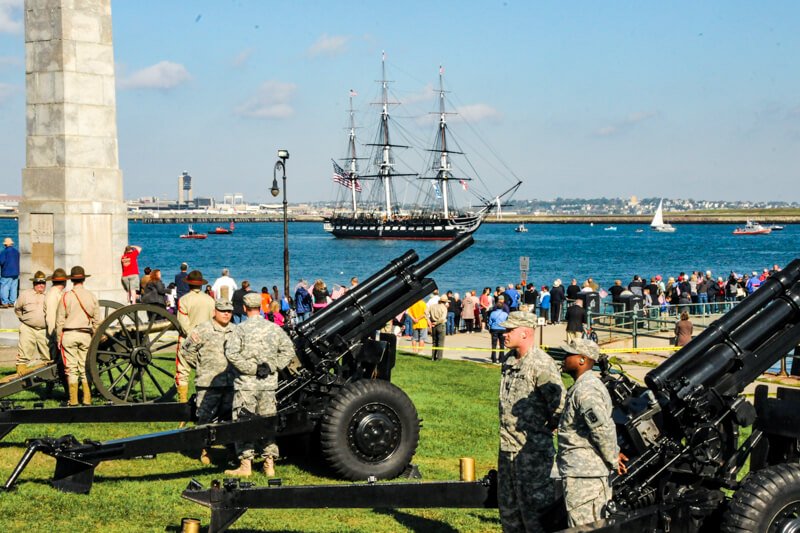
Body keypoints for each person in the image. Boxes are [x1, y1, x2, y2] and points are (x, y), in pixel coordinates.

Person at [497, 311, 565, 532]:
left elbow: (560, 405)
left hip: (532, 454)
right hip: (508, 451)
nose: (504, 334)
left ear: (525, 333)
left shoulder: (541, 364)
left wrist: (545, 430)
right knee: (509, 514)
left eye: (509, 330)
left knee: (536, 517)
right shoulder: (508, 361)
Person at [224, 293, 297, 477]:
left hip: (246, 384)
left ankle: (246, 464)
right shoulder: (274, 328)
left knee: (243, 422)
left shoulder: (239, 330)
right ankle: (269, 464)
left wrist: (251, 369)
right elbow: (288, 350)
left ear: (244, 308)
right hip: (268, 384)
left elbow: (231, 353)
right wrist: (271, 366)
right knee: (267, 422)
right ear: (262, 308)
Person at [557, 339, 621, 527]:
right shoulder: (581, 386)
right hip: (581, 473)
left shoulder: (586, 390)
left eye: (569, 354)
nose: (565, 358)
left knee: (586, 527)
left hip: (586, 477)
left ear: (583, 360)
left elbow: (601, 428)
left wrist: (614, 458)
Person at [179, 298, 236, 465]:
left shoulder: (236, 331)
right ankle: (205, 450)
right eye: (223, 310)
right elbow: (186, 350)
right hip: (207, 382)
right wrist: (201, 366)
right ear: (214, 312)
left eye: (229, 311)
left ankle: (231, 451)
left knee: (230, 419)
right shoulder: (202, 330)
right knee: (205, 418)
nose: (226, 314)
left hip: (231, 383)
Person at [55, 266, 100, 406]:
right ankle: (87, 398)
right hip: (85, 335)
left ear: (71, 280)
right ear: (84, 279)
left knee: (71, 369)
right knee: (84, 367)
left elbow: (60, 321)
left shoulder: (66, 296)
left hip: (68, 334)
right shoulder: (91, 296)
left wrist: (58, 339)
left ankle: (73, 400)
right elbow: (97, 321)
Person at [176, 270, 216, 403]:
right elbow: (213, 321)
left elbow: (183, 323)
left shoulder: (184, 300)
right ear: (201, 285)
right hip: (207, 340)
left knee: (182, 372)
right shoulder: (210, 300)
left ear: (189, 284)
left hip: (187, 340)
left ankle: (182, 402)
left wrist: (193, 336)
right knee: (205, 371)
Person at [13, 271, 50, 377]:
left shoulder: (49, 295)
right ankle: (20, 378)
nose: (41, 285)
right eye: (38, 283)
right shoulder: (25, 295)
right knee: (23, 355)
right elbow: (17, 309)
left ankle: (48, 378)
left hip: (44, 330)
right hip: (28, 328)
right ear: (34, 284)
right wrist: (25, 319)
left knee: (48, 355)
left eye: (43, 283)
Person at [43, 268, 68, 368]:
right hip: (56, 335)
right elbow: (51, 317)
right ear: (64, 281)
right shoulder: (52, 295)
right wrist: (56, 337)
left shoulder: (58, 293)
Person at [0, 237, 20, 307]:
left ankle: (5, 302)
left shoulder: (4, 252)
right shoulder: (16, 252)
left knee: (4, 287)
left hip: (6, 272)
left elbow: (1, 262)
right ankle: (12, 302)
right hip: (16, 272)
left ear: (5, 245)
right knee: (13, 287)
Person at [428, 294, 448, 361]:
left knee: (434, 342)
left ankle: (433, 357)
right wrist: (436, 323)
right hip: (440, 325)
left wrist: (429, 321)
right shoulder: (444, 308)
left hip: (433, 325)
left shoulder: (432, 306)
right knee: (440, 342)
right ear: (445, 302)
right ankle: (439, 358)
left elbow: (425, 312)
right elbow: (442, 318)